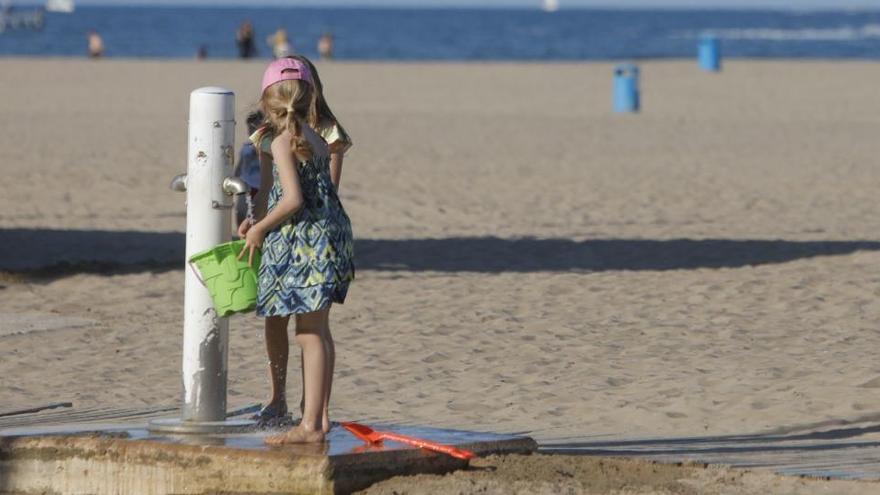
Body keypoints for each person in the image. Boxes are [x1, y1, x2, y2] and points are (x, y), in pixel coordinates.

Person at [239, 57, 355, 444]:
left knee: (307, 332)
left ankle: (308, 427)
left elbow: (290, 200)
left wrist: (258, 228)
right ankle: (318, 420)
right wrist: (258, 217)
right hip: (329, 236)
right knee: (318, 331)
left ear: (268, 105)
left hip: (303, 241)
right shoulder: (319, 137)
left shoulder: (281, 141)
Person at [233, 111, 265, 226]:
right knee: (240, 211)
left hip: (262, 186)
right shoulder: (246, 147)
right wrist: (235, 177)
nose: (252, 132)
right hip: (246, 184)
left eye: (255, 129)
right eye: (250, 129)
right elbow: (240, 164)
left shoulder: (268, 146)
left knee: (258, 214)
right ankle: (239, 232)